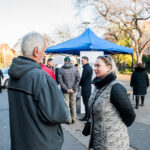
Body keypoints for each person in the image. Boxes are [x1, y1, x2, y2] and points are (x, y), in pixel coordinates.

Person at [8, 32, 69, 150]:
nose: (44, 54)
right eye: (43, 51)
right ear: (36, 51)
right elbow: (60, 114)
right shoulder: (40, 77)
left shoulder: (13, 76)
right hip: (42, 143)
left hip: (21, 142)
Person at [88, 55, 136, 150]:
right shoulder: (98, 85)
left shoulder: (116, 87)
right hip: (98, 140)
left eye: (98, 65)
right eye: (94, 65)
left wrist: (114, 129)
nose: (95, 68)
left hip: (113, 143)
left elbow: (130, 115)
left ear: (109, 67)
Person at [58, 56, 80, 124]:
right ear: (70, 61)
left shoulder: (60, 69)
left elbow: (60, 81)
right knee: (73, 104)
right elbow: (78, 79)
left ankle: (69, 119)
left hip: (65, 91)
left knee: (66, 105)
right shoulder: (75, 69)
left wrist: (67, 89)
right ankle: (74, 118)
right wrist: (73, 88)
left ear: (64, 61)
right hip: (74, 90)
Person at [79, 56, 93, 121]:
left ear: (86, 60)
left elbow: (83, 78)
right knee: (87, 103)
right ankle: (88, 116)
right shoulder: (89, 67)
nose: (81, 62)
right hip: (87, 87)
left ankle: (87, 117)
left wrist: (79, 84)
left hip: (85, 88)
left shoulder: (86, 68)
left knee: (86, 103)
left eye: (82, 61)